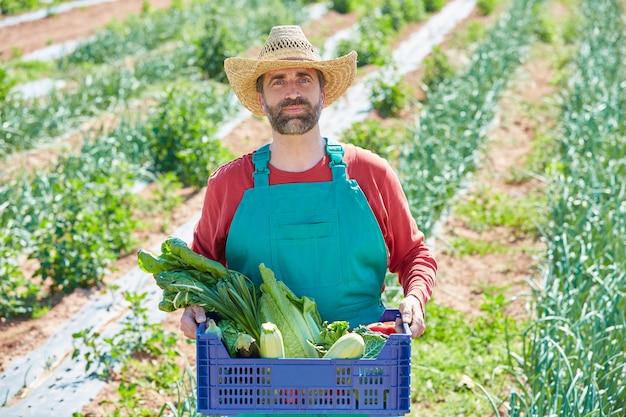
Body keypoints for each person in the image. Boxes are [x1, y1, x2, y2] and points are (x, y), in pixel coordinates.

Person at [180, 25, 437, 341]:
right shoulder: (230, 183)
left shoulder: (370, 173)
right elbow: (200, 269)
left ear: (323, 94)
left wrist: (415, 298)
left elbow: (414, 254)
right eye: (278, 81)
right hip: (259, 365)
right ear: (261, 100)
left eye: (304, 78)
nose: (292, 91)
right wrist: (193, 304)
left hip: (363, 355)